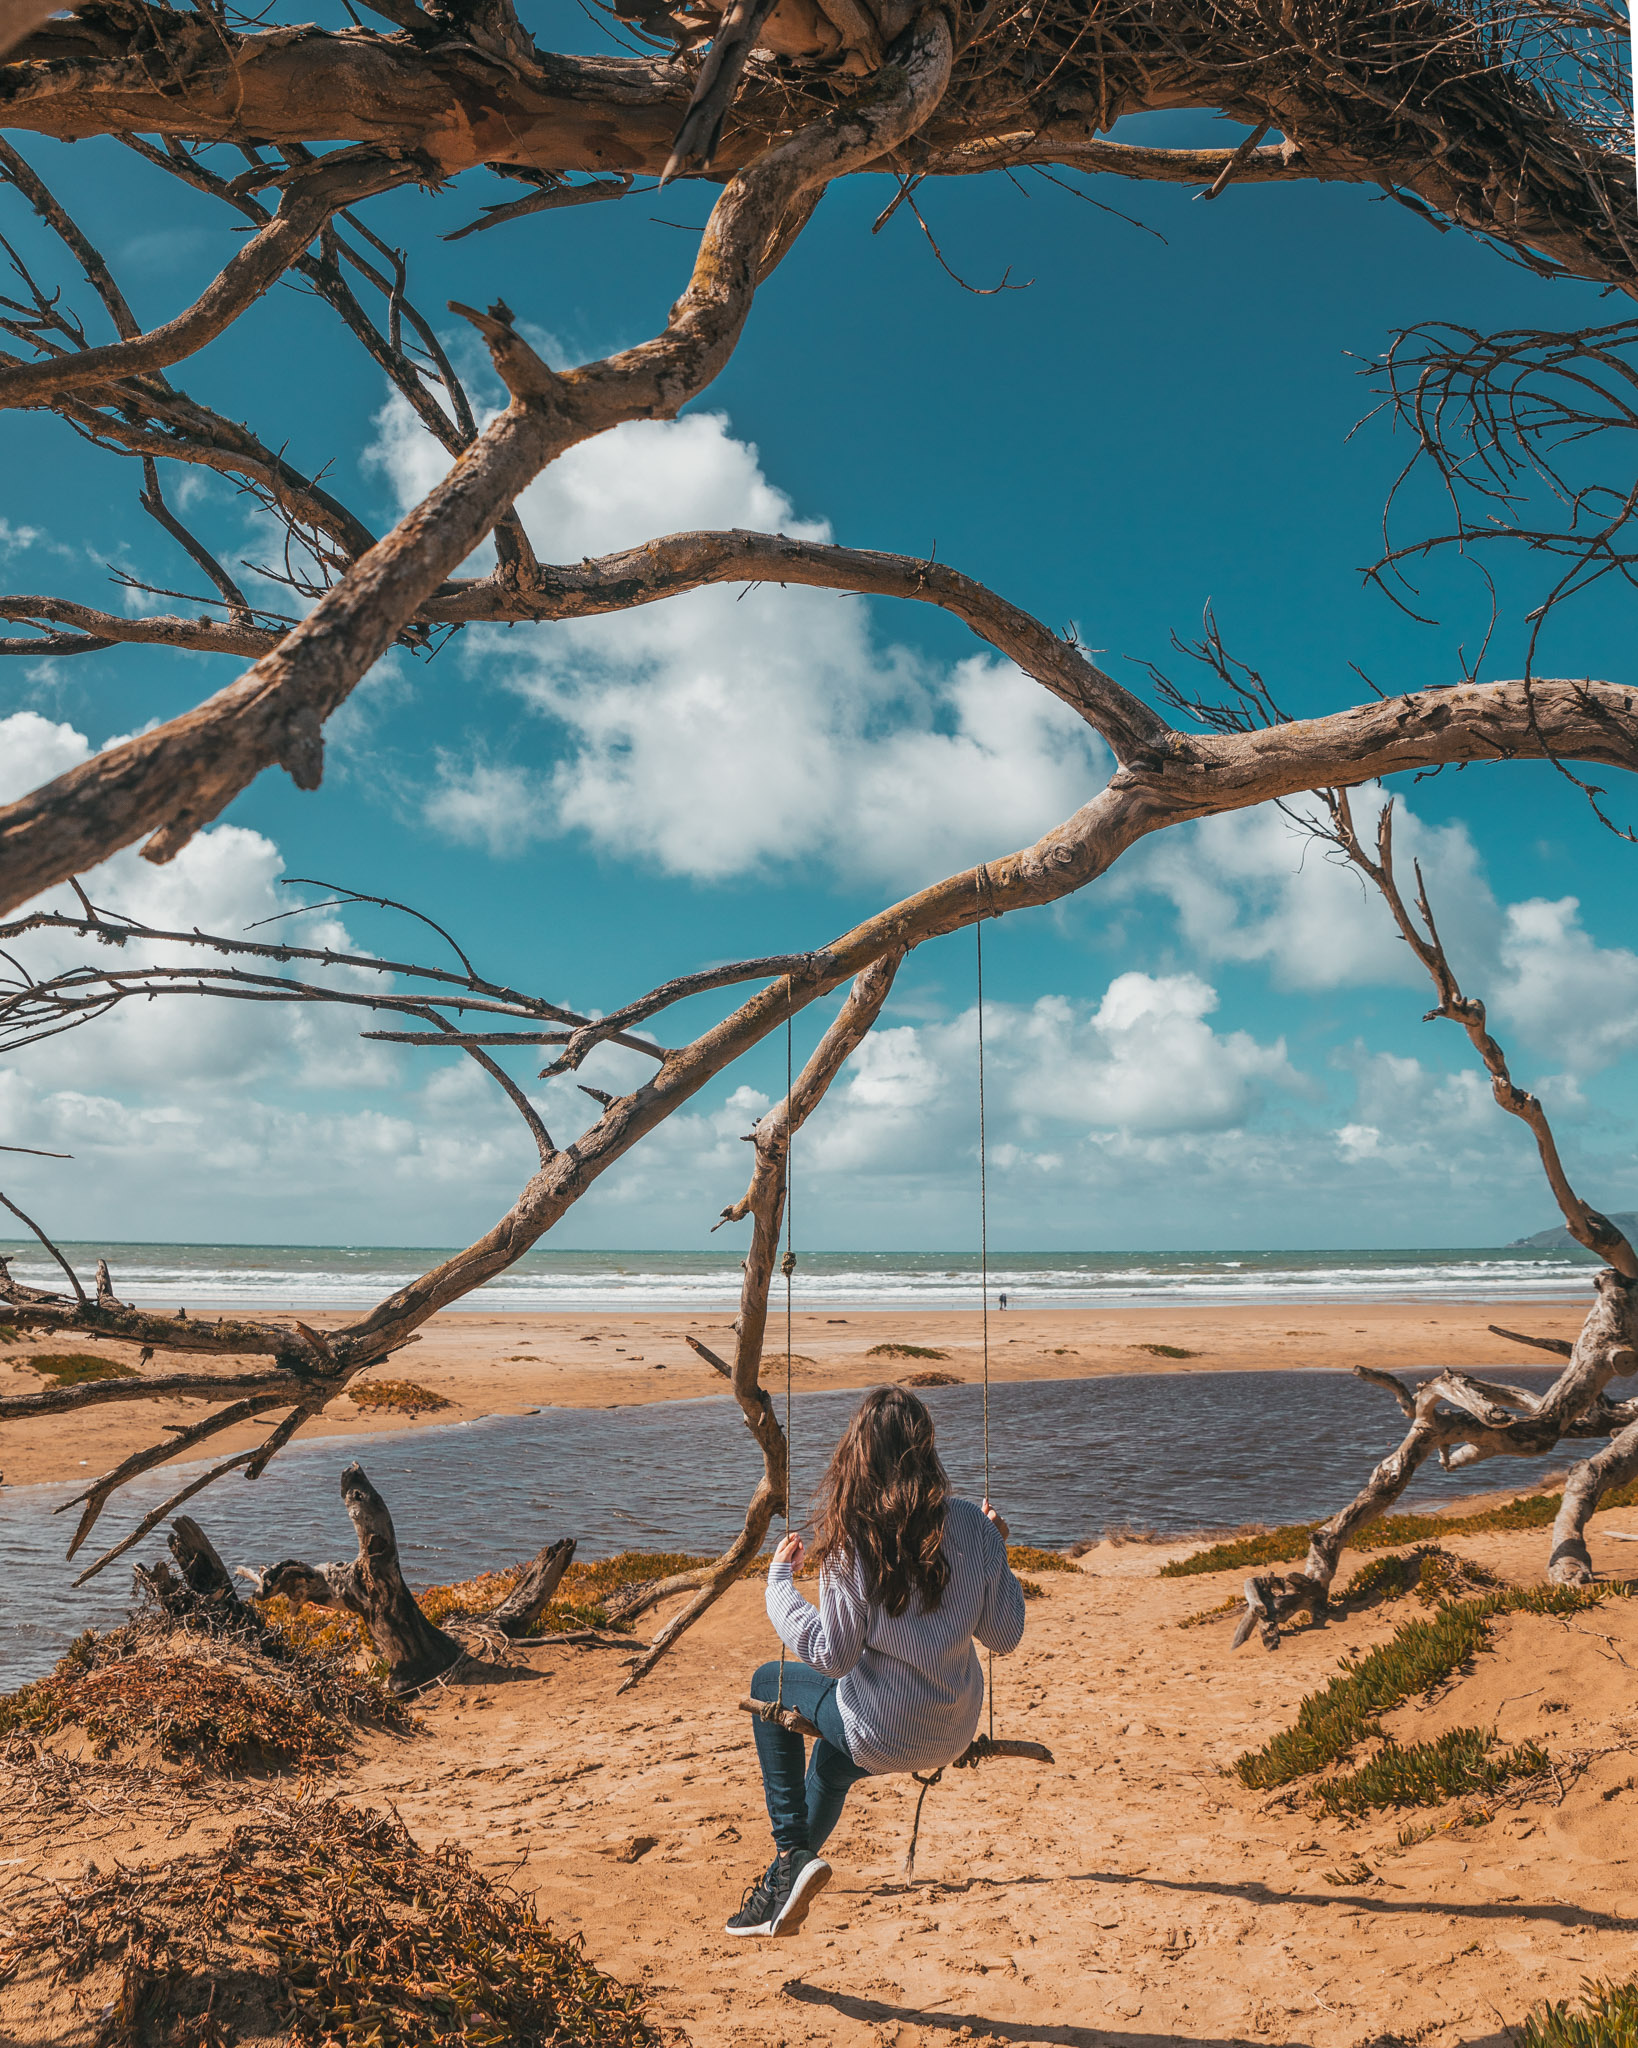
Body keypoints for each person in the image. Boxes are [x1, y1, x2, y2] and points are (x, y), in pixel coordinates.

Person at [725, 1384, 1026, 1938]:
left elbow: (832, 1656)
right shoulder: (972, 1527)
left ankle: (791, 1852)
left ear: (858, 1455)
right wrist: (994, 1549)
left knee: (769, 1681)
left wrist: (778, 1586)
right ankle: (778, 1892)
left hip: (884, 1731)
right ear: (928, 1449)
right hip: (952, 1729)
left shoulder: (853, 1539)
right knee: (831, 1768)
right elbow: (1004, 1635)